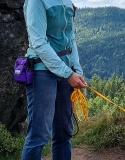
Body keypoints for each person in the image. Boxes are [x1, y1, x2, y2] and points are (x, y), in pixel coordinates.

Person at [21, 0, 87, 160]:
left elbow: (71, 37)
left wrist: (76, 69)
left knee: (64, 133)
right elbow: (38, 42)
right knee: (39, 135)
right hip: (41, 71)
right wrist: (68, 74)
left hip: (66, 72)